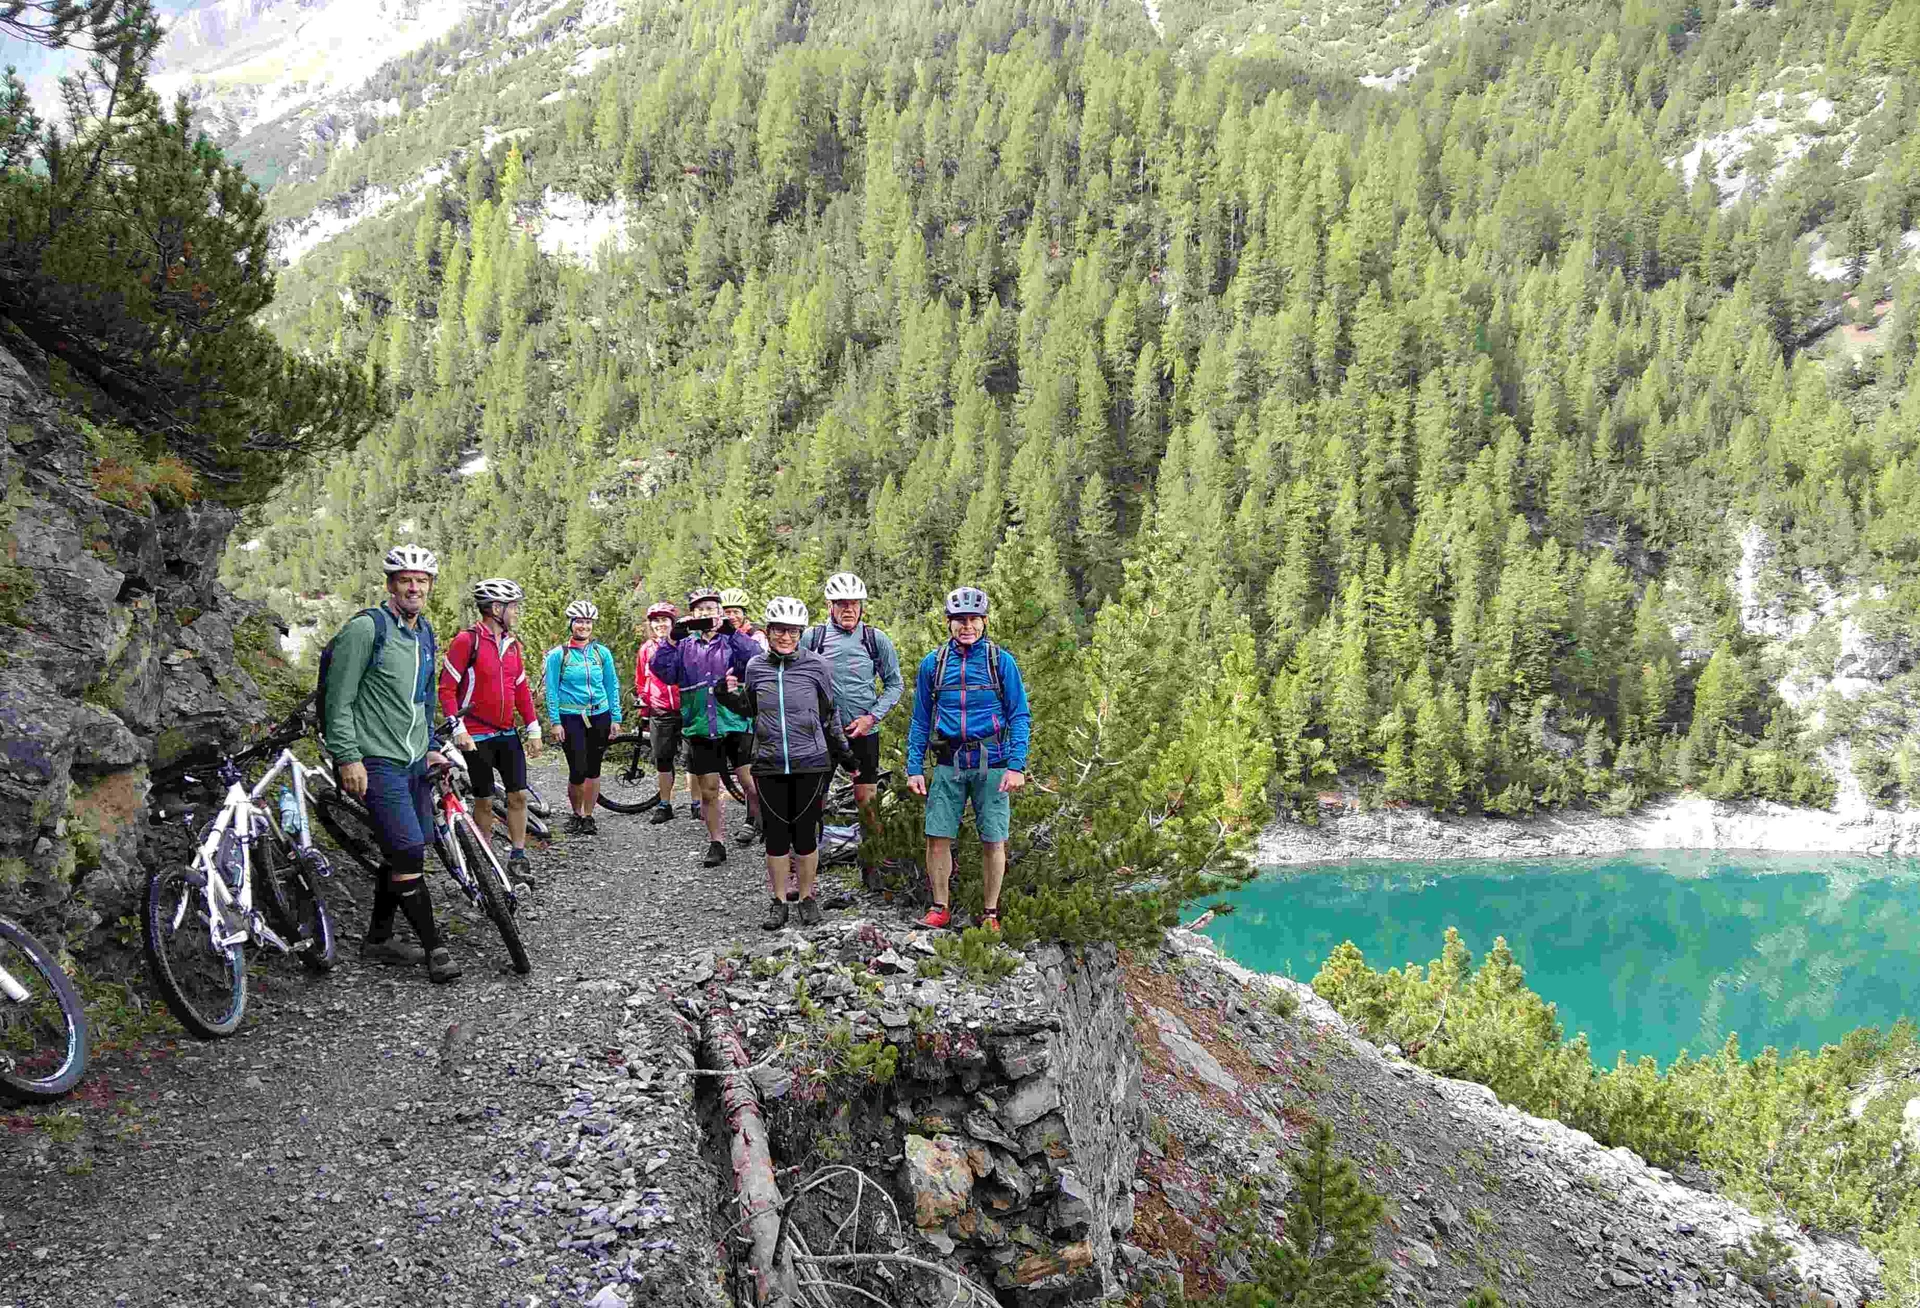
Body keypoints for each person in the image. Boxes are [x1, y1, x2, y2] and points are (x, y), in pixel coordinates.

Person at [320, 545, 460, 983]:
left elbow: (423, 698)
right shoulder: (366, 630)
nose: (414, 587)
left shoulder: (424, 632)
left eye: (422, 580)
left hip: (414, 759)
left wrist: (432, 744)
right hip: (375, 759)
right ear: (390, 585)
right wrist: (348, 756)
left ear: (430, 586)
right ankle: (435, 948)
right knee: (408, 849)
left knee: (406, 847)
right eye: (405, 580)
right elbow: (338, 700)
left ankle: (378, 939)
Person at [905, 586, 1031, 932]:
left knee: (993, 838)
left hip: (994, 762)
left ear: (984, 621)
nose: (967, 626)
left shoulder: (1000, 662)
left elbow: (1019, 715)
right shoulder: (933, 664)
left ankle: (990, 913)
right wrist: (914, 767)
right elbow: (920, 719)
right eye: (960, 620)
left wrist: (1017, 765)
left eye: (974, 619)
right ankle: (940, 907)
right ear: (949, 622)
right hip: (949, 761)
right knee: (937, 836)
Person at [742, 597, 856, 930]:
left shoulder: (817, 666)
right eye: (779, 630)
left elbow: (830, 715)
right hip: (769, 763)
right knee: (776, 837)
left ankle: (807, 897)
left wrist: (845, 753)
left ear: (800, 633)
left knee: (806, 836)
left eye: (792, 631)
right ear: (768, 631)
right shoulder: (755, 667)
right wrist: (725, 696)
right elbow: (751, 709)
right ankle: (778, 901)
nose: (786, 637)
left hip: (810, 762)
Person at [438, 578, 544, 883]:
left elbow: (520, 689)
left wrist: (533, 728)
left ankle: (518, 856)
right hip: (476, 735)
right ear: (496, 608)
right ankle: (484, 861)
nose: (516, 612)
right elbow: (447, 689)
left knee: (518, 795)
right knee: (484, 800)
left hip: (506, 732)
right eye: (513, 607)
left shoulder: (512, 644)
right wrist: (458, 728)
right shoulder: (466, 641)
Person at [804, 572, 903, 892]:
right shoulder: (813, 638)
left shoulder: (875, 639)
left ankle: (871, 866)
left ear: (862, 606)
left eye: (854, 604)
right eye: (841, 603)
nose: (848, 609)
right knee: (814, 800)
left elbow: (894, 684)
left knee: (866, 800)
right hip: (822, 733)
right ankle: (807, 867)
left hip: (863, 731)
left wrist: (871, 718)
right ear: (829, 606)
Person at [651, 586, 760, 867]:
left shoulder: (732, 640)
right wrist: (670, 640)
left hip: (735, 720)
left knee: (749, 781)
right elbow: (662, 672)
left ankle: (759, 820)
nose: (705, 613)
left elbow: (756, 659)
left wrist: (731, 632)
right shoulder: (685, 644)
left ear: (720, 612)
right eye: (699, 609)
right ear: (692, 614)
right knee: (709, 789)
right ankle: (716, 842)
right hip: (699, 724)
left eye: (710, 608)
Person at [544, 599, 623, 834]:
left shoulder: (601, 653)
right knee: (577, 769)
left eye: (588, 622)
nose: (584, 626)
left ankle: (588, 815)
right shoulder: (558, 655)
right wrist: (555, 722)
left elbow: (611, 685)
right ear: (571, 624)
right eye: (579, 621)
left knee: (594, 768)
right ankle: (576, 812)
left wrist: (616, 717)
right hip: (571, 717)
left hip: (600, 714)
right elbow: (551, 690)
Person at [718, 586, 766, 841]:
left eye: (735, 611)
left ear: (744, 613)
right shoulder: (719, 636)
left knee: (749, 771)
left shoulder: (756, 635)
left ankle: (753, 821)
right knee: (743, 770)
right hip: (725, 708)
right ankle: (756, 819)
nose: (731, 616)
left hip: (751, 708)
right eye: (726, 611)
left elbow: (758, 660)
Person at [634, 600, 684, 825]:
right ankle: (665, 804)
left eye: (664, 620)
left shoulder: (684, 644)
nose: (660, 624)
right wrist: (645, 707)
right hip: (660, 710)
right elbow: (641, 681)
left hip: (686, 708)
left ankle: (696, 803)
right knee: (663, 760)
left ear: (672, 622)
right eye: (655, 621)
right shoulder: (646, 649)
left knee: (693, 760)